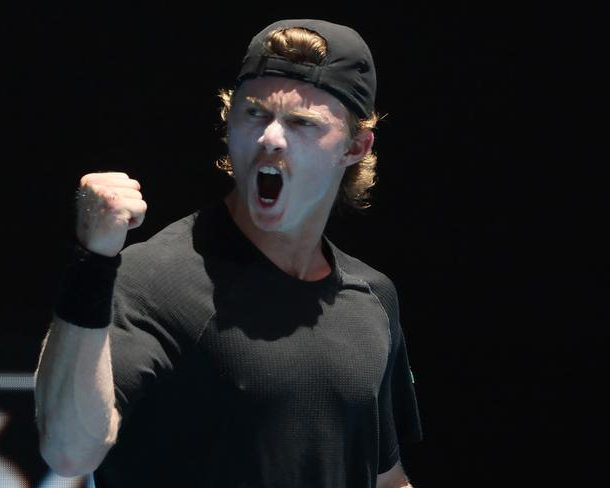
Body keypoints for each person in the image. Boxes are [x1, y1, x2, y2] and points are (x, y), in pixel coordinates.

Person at [34, 19, 422, 487]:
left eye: (302, 123)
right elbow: (69, 452)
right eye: (254, 114)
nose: (271, 138)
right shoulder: (151, 278)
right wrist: (92, 261)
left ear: (356, 146)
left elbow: (386, 477)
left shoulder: (374, 298)